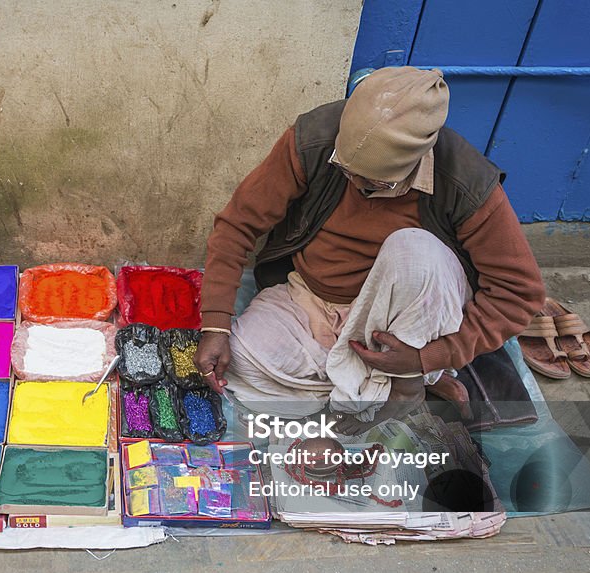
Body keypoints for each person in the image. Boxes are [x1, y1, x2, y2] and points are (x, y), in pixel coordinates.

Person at [193, 66, 546, 433]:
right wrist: (215, 325)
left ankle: (407, 378)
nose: (356, 185)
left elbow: (518, 294)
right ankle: (385, 383)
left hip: (399, 320)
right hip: (309, 300)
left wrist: (429, 355)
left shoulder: (465, 180)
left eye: (372, 181)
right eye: (345, 171)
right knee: (240, 365)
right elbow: (238, 224)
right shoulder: (313, 139)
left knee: (415, 250)